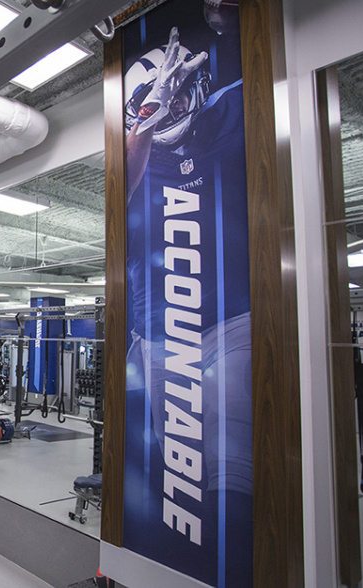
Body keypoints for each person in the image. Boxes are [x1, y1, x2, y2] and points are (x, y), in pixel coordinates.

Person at [122, 18, 253, 588]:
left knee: (229, 486)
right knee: (175, 479)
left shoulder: (232, 110)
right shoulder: (133, 158)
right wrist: (147, 119)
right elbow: (118, 186)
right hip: (159, 333)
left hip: (233, 320)